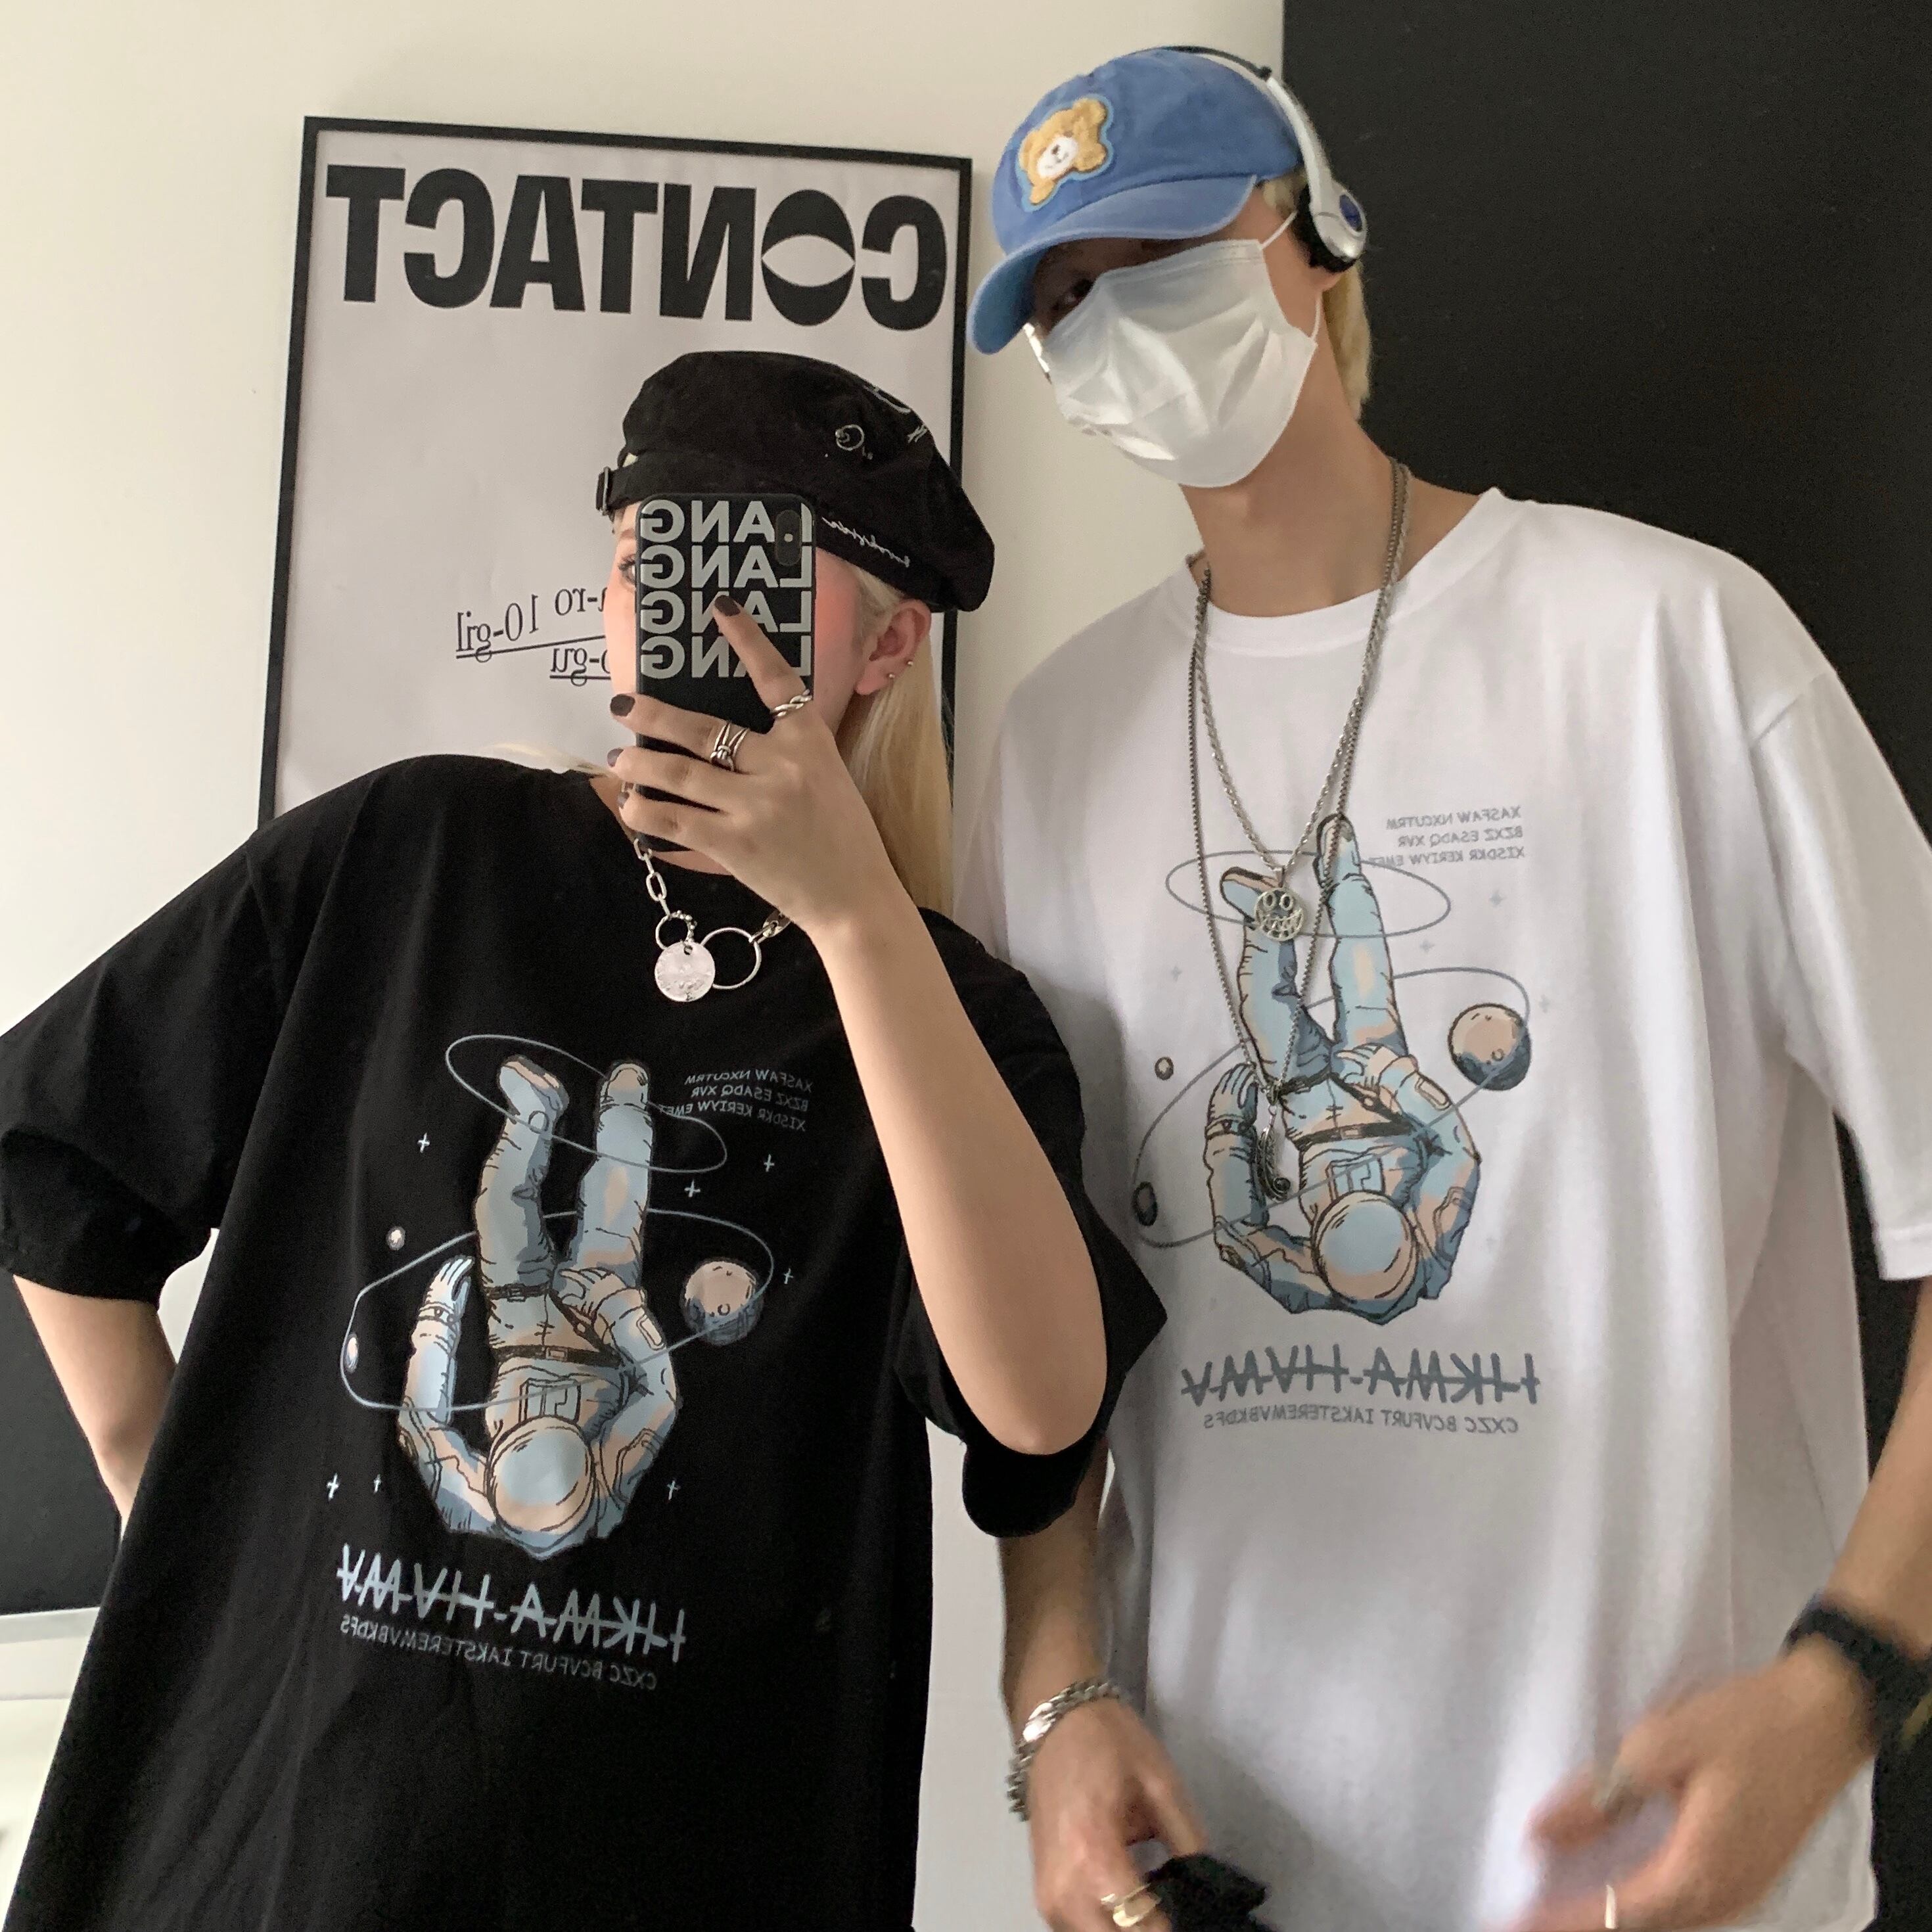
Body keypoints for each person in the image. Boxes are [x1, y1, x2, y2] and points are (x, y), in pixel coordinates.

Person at [0, 348, 1164, 1932]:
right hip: (282, 1850)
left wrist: (854, 921)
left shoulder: (949, 1015)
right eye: (646, 557)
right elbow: (57, 1149)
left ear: (893, 640)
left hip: (694, 1857)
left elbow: (1037, 1407)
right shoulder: (412, 850)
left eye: (754, 563)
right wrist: (177, 1511)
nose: (692, 606)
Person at [959, 45, 1932, 1932]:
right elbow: (1042, 1332)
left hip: (1653, 1863)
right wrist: (1053, 1693)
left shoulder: (1669, 646)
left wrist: (1844, 1687)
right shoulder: (1055, 745)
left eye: (1161, 254)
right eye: (1064, 299)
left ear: (1315, 239)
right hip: (1214, 1861)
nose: (1115, 325)